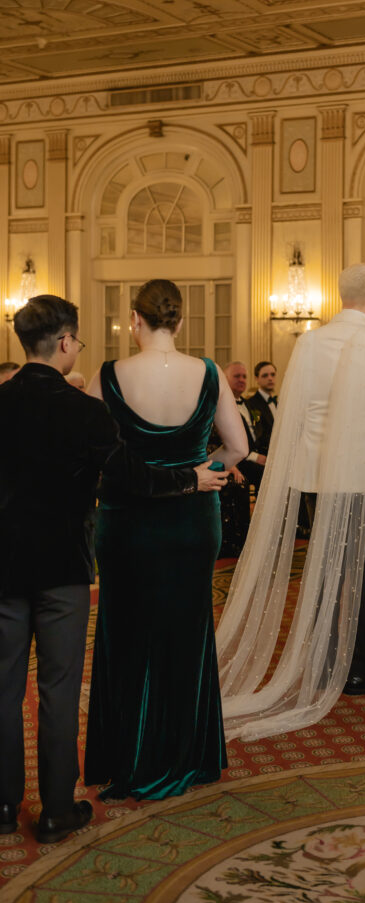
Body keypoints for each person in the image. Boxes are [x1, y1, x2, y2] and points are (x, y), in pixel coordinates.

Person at [0, 295, 226, 843]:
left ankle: (3, 810)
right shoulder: (85, 411)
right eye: (75, 341)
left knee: (3, 690)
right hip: (64, 570)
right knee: (57, 688)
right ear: (63, 343)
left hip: (2, 568)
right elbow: (133, 477)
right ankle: (56, 810)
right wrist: (189, 481)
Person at [215, 264, 365, 742]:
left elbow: (295, 406)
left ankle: (325, 656)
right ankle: (359, 667)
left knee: (329, 560)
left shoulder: (308, 343)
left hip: (319, 472)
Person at [84, 279, 247, 801]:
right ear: (180, 320)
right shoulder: (208, 372)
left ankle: (128, 760)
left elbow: (91, 453)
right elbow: (239, 447)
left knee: (125, 632)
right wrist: (203, 471)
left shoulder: (107, 376)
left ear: (135, 320)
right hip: (191, 520)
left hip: (126, 520)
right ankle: (185, 756)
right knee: (186, 633)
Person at [225, 361, 266, 490]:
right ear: (225, 379)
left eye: (244, 376)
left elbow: (257, 432)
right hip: (238, 460)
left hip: (256, 454)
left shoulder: (249, 404)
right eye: (237, 376)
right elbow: (227, 441)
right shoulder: (222, 406)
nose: (242, 380)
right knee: (268, 475)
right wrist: (255, 456)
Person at [246, 360, 277, 455]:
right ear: (256, 379)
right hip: (264, 455)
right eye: (265, 375)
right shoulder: (251, 404)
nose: (270, 378)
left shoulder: (277, 403)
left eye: (273, 375)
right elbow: (257, 433)